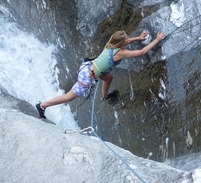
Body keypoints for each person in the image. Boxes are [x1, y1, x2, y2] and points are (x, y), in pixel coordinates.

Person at [36, 30, 166, 118]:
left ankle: (105, 96)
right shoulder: (119, 53)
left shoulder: (111, 43)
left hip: (90, 68)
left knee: (109, 78)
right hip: (87, 77)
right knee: (68, 97)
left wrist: (138, 37)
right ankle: (42, 105)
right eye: (126, 39)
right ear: (121, 43)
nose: (127, 40)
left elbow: (123, 41)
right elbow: (142, 52)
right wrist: (157, 39)